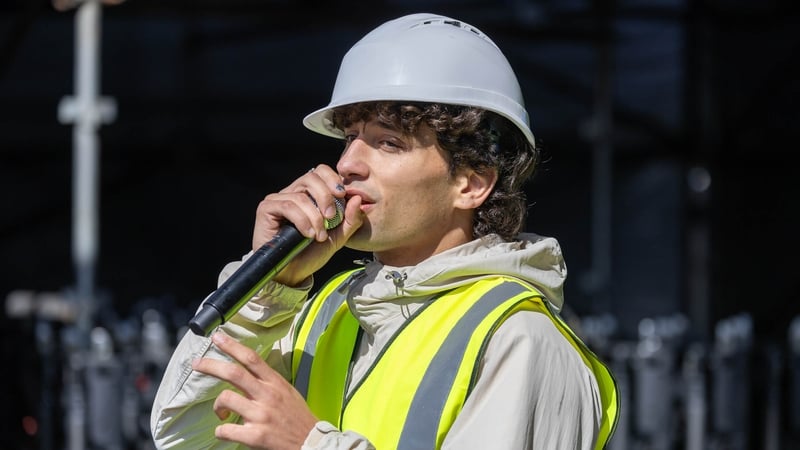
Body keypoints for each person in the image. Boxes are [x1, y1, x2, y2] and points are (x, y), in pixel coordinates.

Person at [150, 12, 618, 450]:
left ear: (472, 183)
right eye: (350, 138)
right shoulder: (328, 311)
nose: (347, 164)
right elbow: (184, 438)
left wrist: (309, 442)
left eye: (389, 142)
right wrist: (268, 289)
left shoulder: (521, 338)